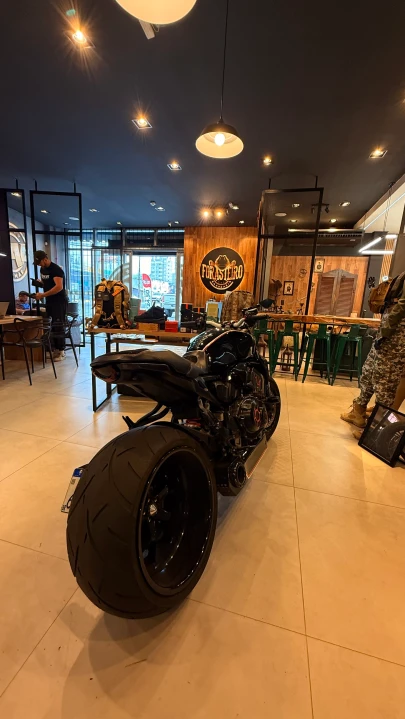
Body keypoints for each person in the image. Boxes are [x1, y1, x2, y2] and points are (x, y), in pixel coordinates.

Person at [341, 271, 405, 429]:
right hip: (388, 327)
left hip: (396, 333)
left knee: (385, 380)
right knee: (369, 371)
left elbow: (403, 305)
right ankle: (358, 410)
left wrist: (387, 327)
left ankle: (376, 429)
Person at [33, 250, 67, 361]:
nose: (39, 265)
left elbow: (59, 287)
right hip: (49, 301)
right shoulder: (42, 269)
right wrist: (40, 284)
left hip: (59, 301)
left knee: (58, 325)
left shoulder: (56, 270)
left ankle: (61, 351)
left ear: (45, 259)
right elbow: (47, 283)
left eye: (40, 262)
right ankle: (53, 349)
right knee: (51, 325)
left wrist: (42, 295)